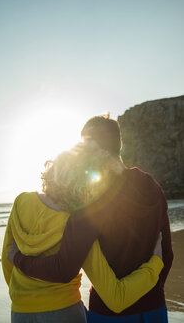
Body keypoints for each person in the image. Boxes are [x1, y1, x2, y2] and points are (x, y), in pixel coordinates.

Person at [9, 115, 173, 323]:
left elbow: (64, 268)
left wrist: (18, 258)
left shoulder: (91, 197)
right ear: (120, 144)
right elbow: (167, 254)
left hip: (108, 313)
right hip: (155, 308)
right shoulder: (152, 186)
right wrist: (151, 294)